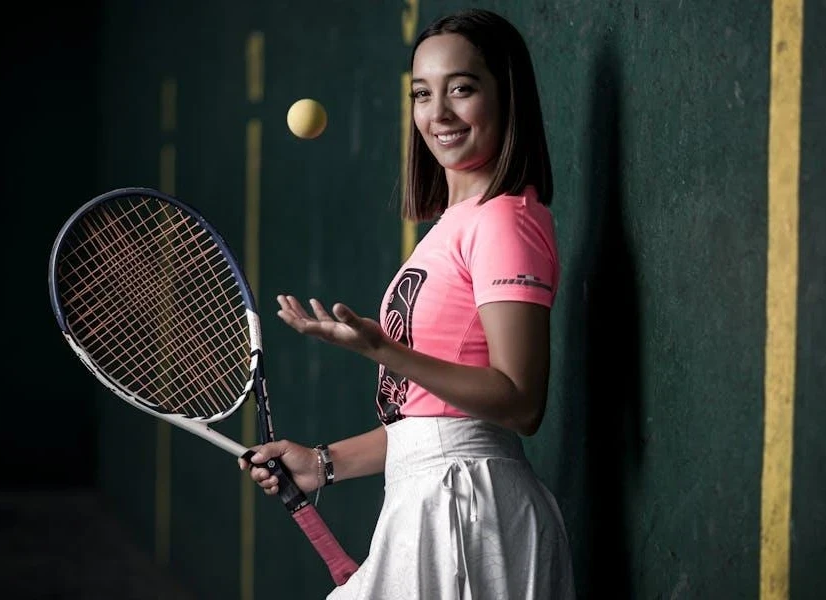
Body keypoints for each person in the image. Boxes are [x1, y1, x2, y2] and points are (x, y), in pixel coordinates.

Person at [239, 8, 575, 599]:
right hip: (435, 496)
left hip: (468, 512)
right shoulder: (453, 225)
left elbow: (521, 403)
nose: (438, 113)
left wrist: (381, 348)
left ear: (507, 97)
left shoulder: (504, 221)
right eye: (423, 93)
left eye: (462, 89)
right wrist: (323, 462)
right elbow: (436, 425)